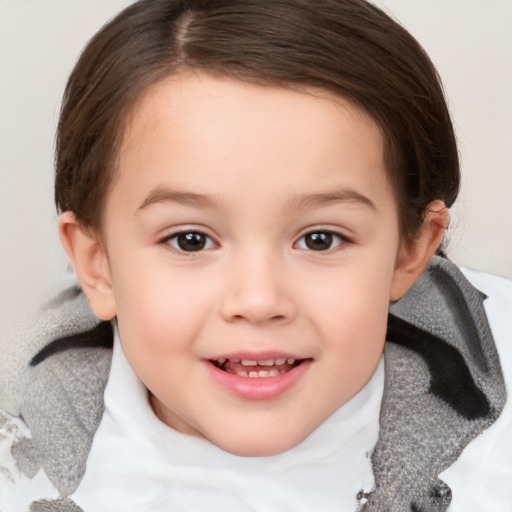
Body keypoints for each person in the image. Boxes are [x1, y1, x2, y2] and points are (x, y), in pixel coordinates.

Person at [1, 0, 511, 511]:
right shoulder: (22, 464)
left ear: (411, 251)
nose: (259, 300)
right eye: (190, 240)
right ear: (98, 265)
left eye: (320, 239)